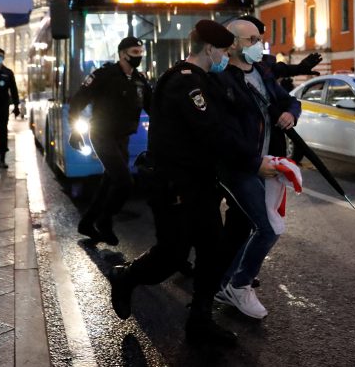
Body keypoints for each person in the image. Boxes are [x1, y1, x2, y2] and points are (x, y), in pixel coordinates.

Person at [107, 20, 263, 347]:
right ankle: (126, 276)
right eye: (222, 50)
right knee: (172, 255)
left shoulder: (206, 79)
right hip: (174, 185)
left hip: (202, 184)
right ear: (209, 49)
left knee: (211, 250)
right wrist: (254, 160)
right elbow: (213, 132)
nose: (224, 56)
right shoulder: (184, 82)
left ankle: (200, 321)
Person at [214, 19, 301, 320]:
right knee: (268, 227)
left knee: (243, 226)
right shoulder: (223, 79)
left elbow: (287, 99)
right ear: (234, 43)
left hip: (268, 161)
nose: (258, 45)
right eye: (251, 39)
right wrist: (254, 163)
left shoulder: (261, 73)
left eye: (259, 39)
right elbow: (224, 134)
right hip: (242, 167)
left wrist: (291, 112)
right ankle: (239, 285)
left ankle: (226, 280)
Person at [69, 37, 152, 245]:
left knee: (109, 183)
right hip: (102, 135)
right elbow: (78, 100)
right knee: (124, 182)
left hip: (123, 138)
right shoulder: (104, 75)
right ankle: (105, 221)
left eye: (141, 52)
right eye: (134, 53)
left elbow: (154, 108)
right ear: (122, 54)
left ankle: (87, 222)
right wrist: (75, 129)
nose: (139, 56)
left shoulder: (139, 80)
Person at [237, 15, 323, 79]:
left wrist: (299, 68)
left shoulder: (263, 67)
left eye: (260, 41)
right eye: (254, 40)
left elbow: (278, 70)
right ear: (236, 41)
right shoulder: (227, 77)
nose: (259, 46)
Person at [0, 48, 20, 168]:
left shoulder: (8, 73)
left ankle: (2, 160)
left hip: (2, 108)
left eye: (0, 55)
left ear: (3, 58)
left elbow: (14, 90)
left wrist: (17, 106)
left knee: (3, 133)